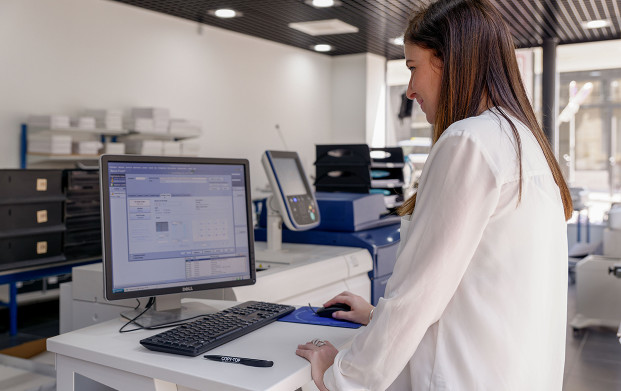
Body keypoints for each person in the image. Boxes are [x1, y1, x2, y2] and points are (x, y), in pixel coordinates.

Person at [295, 0, 573, 389]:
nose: (409, 90)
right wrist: (377, 316)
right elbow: (479, 288)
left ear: (449, 60)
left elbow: (417, 295)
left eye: (413, 68)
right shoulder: (523, 142)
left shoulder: (468, 141)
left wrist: (339, 374)